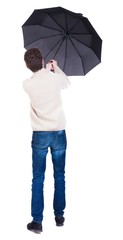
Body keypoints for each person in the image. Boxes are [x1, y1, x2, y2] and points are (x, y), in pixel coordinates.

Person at [23, 48, 70, 233]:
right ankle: (59, 217)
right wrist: (55, 69)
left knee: (38, 178)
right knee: (59, 176)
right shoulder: (55, 78)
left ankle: (37, 221)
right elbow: (67, 83)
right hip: (58, 132)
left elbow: (38, 80)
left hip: (40, 135)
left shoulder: (27, 84)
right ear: (43, 60)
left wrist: (45, 71)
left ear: (27, 65)